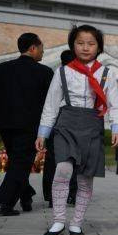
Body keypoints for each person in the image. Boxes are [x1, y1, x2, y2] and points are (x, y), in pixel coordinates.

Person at [36, 25, 118, 235]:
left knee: (85, 178)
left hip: (92, 126)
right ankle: (58, 221)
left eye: (91, 43)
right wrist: (43, 133)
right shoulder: (63, 72)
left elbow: (114, 104)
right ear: (73, 46)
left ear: (99, 47)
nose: (85, 47)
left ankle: (76, 223)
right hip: (66, 125)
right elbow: (51, 105)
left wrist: (116, 128)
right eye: (80, 43)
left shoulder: (106, 73)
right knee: (63, 170)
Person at [0, 32, 53, 216]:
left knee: (17, 163)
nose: (43, 52)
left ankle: (26, 195)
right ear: (33, 48)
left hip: (4, 125)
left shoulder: (1, 69)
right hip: (29, 126)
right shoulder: (44, 72)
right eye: (41, 48)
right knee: (20, 163)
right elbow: (50, 103)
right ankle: (4, 203)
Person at [42, 50, 79, 207]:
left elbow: (50, 103)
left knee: (52, 159)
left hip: (55, 122)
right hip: (73, 121)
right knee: (74, 158)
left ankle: (51, 195)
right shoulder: (77, 76)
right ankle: (71, 194)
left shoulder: (56, 74)